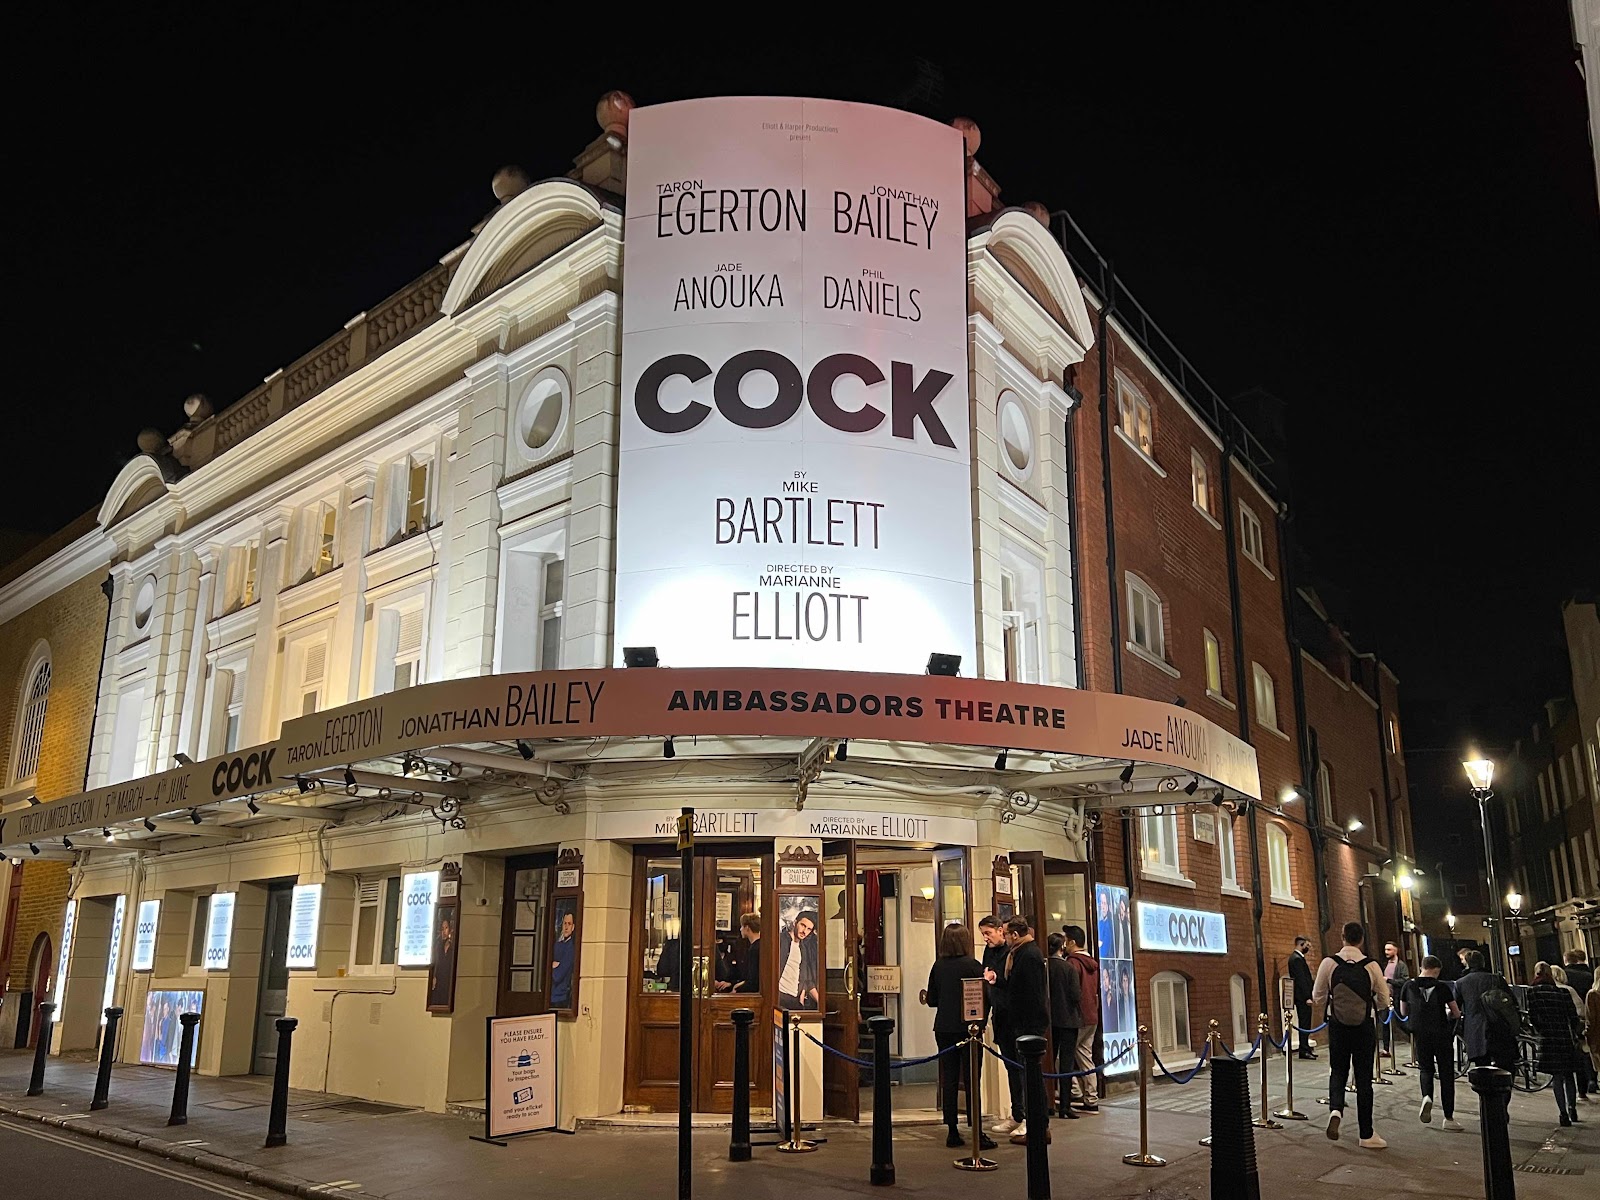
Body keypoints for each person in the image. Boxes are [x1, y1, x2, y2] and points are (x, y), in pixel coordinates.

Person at [1312, 920, 1391, 1149]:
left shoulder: (1329, 963)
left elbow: (1318, 997)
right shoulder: (1371, 965)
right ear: (1362, 939)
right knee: (1364, 1079)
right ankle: (1366, 1134)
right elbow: (1384, 999)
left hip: (1338, 1025)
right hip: (1364, 1026)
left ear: (1342, 937)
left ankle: (1336, 1109)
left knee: (1338, 1070)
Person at [924, 923, 997, 1150]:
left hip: (944, 1027)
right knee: (973, 1078)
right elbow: (985, 997)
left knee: (950, 1079)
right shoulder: (973, 965)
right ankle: (976, 1131)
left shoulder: (938, 966)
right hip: (969, 1028)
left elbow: (932, 1000)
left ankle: (952, 1131)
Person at [986, 917, 1050, 1144]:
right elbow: (1014, 986)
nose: (1004, 938)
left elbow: (1030, 994)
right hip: (1014, 1023)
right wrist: (997, 981)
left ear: (1014, 934)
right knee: (1018, 1071)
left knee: (1030, 1075)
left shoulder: (1028, 955)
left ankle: (1037, 1125)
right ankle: (1022, 1117)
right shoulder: (1018, 953)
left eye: (1005, 933)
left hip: (1027, 1024)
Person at [1398, 955, 1464, 1131]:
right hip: (1441, 1034)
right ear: (1436, 970)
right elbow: (1456, 1012)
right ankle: (1448, 1117)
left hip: (1420, 1034)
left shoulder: (1408, 985)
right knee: (1446, 1074)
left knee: (1425, 1069)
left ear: (1422, 967)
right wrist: (1448, 1014)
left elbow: (1403, 1011)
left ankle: (1427, 1096)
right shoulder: (1442, 987)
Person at [978, 915, 1023, 1133]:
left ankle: (1026, 1117)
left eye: (988, 933)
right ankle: (1017, 1114)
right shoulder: (988, 952)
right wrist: (982, 1017)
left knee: (1021, 1068)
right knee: (1010, 1068)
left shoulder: (1013, 952)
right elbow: (986, 986)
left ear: (1000, 931)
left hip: (1016, 1017)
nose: (985, 938)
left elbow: (1014, 983)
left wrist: (997, 979)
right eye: (982, 934)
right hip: (1000, 1017)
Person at [1528, 961, 1585, 1126]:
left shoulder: (1533, 992)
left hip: (1548, 1037)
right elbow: (1573, 1017)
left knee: (1557, 1077)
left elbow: (1533, 1016)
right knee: (1569, 1075)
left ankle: (1563, 1113)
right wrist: (1574, 1033)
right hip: (1564, 1036)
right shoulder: (1563, 992)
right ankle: (1572, 1108)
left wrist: (1541, 1030)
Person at [1059, 925, 1101, 1114]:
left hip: (1078, 1016)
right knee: (1085, 1055)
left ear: (1072, 942)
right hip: (1092, 1014)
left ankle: (1073, 1091)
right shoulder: (1091, 962)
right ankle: (1091, 1098)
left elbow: (1072, 991)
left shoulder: (1073, 963)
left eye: (1066, 940)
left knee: (1062, 1056)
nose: (1064, 944)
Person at [1560, 950, 1596, 1097]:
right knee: (1589, 1047)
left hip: (1574, 1015)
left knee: (1579, 1050)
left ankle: (1584, 1085)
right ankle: (1593, 1078)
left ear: (1566, 960)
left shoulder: (1566, 976)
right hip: (1589, 1012)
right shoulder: (1589, 974)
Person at [777, 909, 820, 1009]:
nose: (804, 931)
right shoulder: (781, 940)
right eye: (803, 925)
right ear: (795, 922)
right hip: (780, 995)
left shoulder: (803, 948)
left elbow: (805, 976)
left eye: (809, 929)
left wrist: (802, 993)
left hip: (794, 998)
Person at [1289, 935, 1318, 1059]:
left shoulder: (1298, 958)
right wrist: (1307, 997)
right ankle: (1304, 1049)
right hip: (1302, 998)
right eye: (1307, 945)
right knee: (1304, 1023)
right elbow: (1301, 980)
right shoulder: (1296, 959)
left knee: (1306, 1023)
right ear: (1301, 944)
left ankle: (1306, 1047)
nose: (1308, 948)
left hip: (1303, 997)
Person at [719, 912, 762, 994]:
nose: (740, 929)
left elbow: (753, 980)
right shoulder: (758, 945)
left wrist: (737, 988)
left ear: (747, 928)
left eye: (742, 926)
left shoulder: (754, 949)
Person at [1380, 942, 1410, 1057]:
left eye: (1389, 950)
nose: (1386, 952)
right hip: (1386, 998)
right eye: (1385, 949)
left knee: (1401, 1023)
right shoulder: (1384, 964)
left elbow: (1405, 981)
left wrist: (1389, 980)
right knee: (1384, 1024)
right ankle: (1386, 1049)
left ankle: (1414, 1040)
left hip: (1397, 998)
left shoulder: (1401, 965)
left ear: (1395, 951)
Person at [549, 909, 576, 1007]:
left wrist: (552, 966)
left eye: (569, 924)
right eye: (565, 923)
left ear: (573, 927)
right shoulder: (557, 944)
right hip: (550, 995)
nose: (566, 927)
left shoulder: (570, 949)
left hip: (560, 998)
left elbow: (557, 975)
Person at [1096, 891, 1114, 959]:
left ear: (1109, 906)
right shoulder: (1100, 923)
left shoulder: (1110, 924)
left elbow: (1104, 950)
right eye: (1101, 903)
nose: (1102, 907)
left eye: (1104, 903)